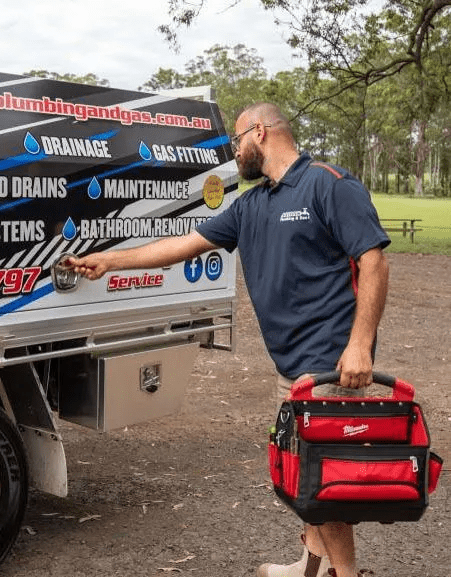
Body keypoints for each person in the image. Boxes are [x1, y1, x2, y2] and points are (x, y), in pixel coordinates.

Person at [67, 102, 389, 577]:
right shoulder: (251, 206)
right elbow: (180, 246)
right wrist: (110, 261)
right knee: (299, 471)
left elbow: (373, 261)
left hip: (332, 365)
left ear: (259, 131)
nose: (234, 152)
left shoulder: (329, 184)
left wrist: (360, 344)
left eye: (236, 141)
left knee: (324, 485)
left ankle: (345, 574)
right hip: (291, 366)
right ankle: (311, 566)